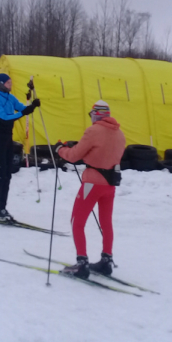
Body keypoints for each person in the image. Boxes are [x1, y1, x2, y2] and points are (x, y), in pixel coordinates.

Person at [54, 100, 126, 280]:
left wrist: (60, 149)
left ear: (96, 114)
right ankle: (106, 259)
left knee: (77, 221)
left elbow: (73, 156)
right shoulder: (120, 133)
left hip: (91, 184)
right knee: (106, 222)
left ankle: (82, 263)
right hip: (110, 185)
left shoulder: (93, 131)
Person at [0, 73, 40, 221]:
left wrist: (32, 106)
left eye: (11, 82)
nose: (11, 85)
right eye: (8, 83)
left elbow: (20, 107)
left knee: (7, 174)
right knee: (0, 174)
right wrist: (23, 113)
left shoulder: (10, 97)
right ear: (1, 84)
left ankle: (2, 208)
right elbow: (4, 118)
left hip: (8, 138)